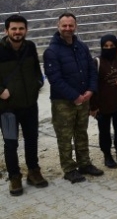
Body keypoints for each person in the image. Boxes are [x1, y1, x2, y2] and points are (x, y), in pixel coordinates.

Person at [43, 13, 104, 183]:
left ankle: (84, 163)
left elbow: (92, 70)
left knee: (81, 133)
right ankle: (69, 168)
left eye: (71, 25)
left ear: (75, 26)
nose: (68, 29)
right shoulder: (52, 51)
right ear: (58, 26)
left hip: (83, 99)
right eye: (65, 26)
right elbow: (54, 79)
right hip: (63, 102)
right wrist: (74, 96)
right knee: (65, 135)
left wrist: (91, 90)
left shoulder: (82, 47)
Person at [1, 15, 48, 196]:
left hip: (29, 105)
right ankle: (14, 177)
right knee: (11, 143)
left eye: (21, 28)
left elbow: (37, 68)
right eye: (14, 29)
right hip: (7, 108)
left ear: (26, 30)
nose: (17, 32)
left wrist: (37, 84)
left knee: (31, 139)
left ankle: (34, 171)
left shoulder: (30, 47)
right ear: (7, 30)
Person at [90, 34, 117, 169]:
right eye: (106, 46)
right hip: (102, 105)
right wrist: (93, 106)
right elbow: (92, 84)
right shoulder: (96, 62)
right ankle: (107, 155)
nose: (109, 48)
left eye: (112, 46)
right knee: (104, 132)